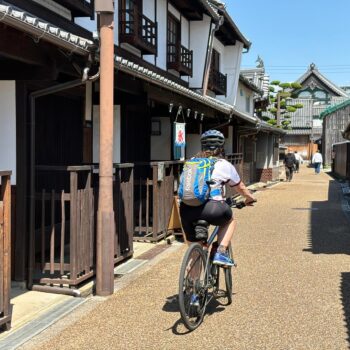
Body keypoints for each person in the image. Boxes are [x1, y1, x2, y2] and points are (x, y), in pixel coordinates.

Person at [179, 130, 256, 267]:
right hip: (213, 208)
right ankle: (220, 252)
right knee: (229, 221)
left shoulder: (191, 163)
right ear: (221, 147)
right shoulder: (224, 164)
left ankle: (191, 285)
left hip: (187, 209)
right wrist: (249, 198)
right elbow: (240, 187)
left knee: (195, 253)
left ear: (202, 146)